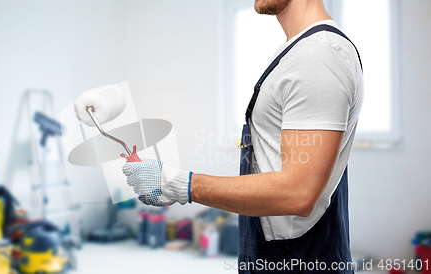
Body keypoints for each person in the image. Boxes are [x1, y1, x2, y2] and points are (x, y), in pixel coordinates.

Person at [122, 0, 363, 272]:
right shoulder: (300, 51)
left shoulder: (318, 55)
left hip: (295, 260)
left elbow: (299, 193)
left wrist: (179, 184)